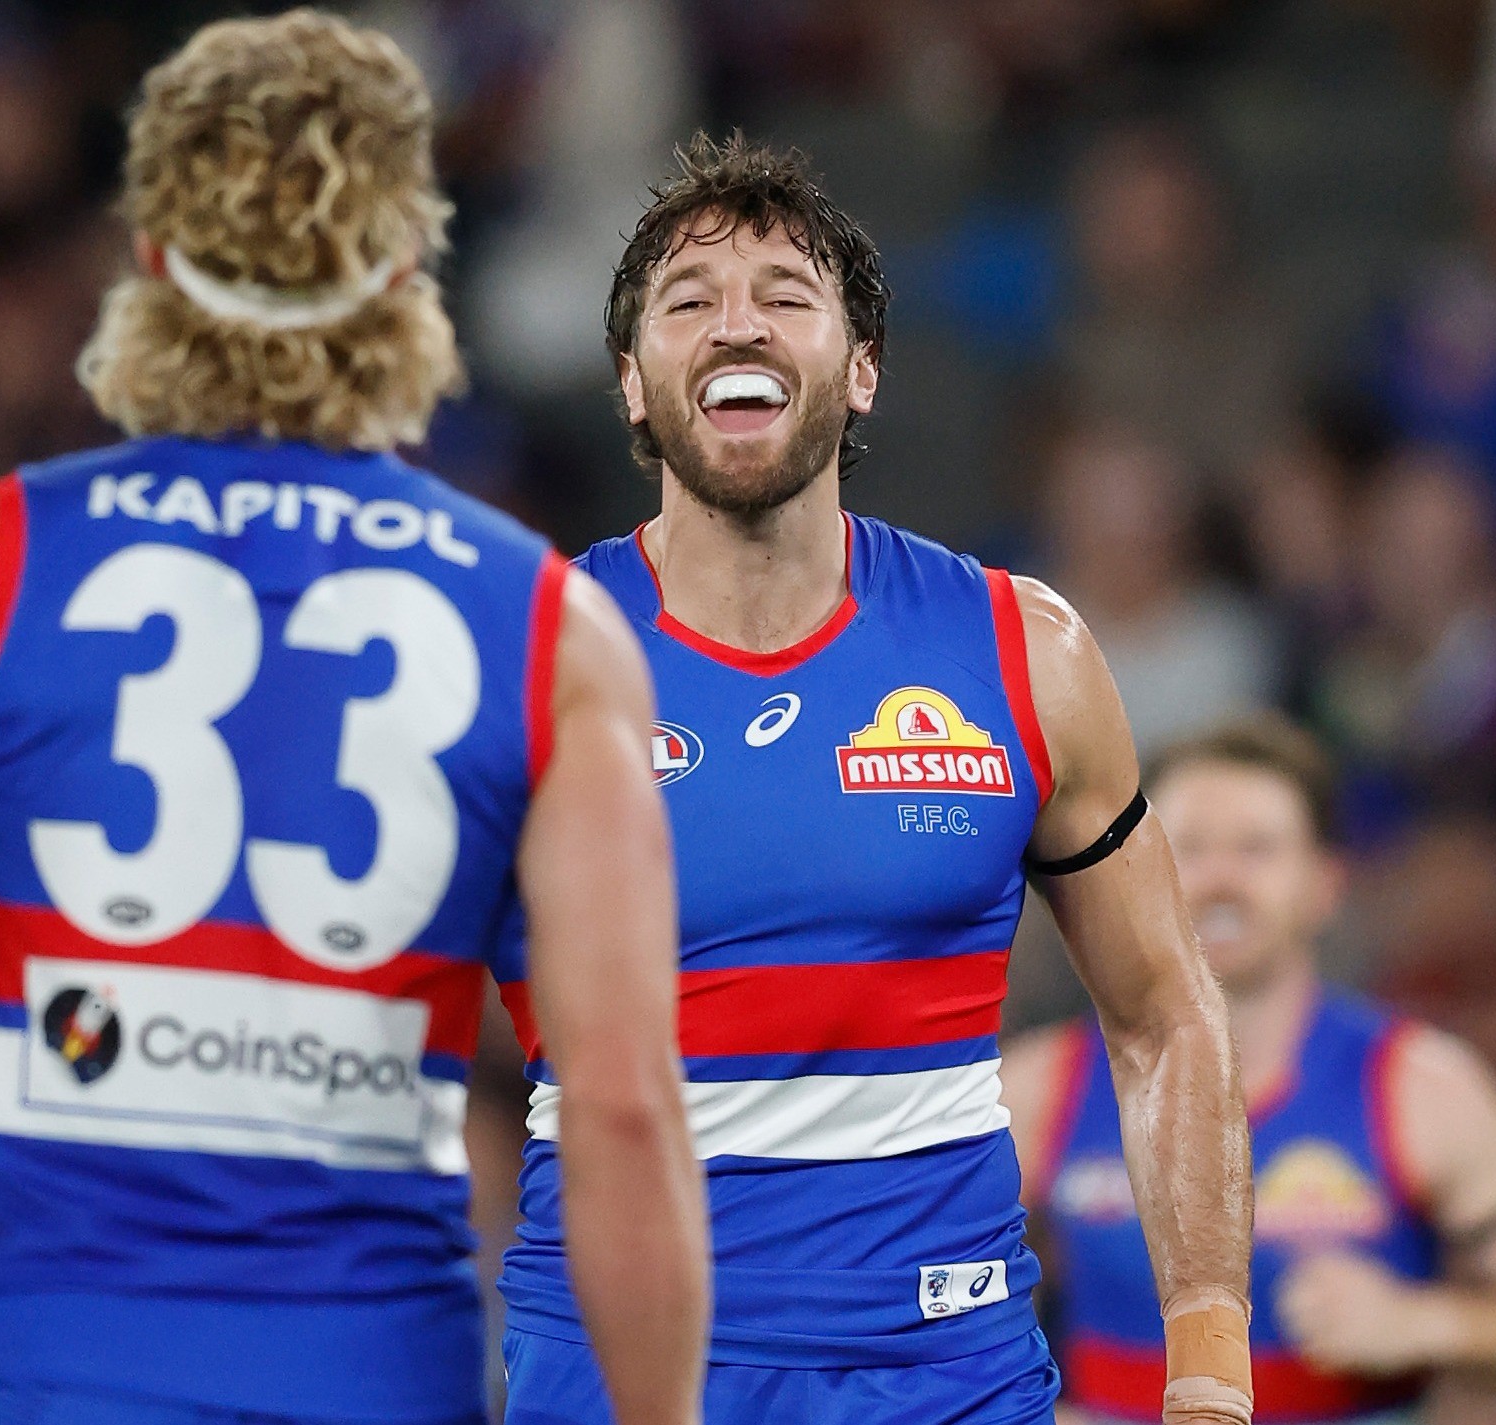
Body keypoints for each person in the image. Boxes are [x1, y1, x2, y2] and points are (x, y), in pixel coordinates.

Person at [0, 13, 708, 1425]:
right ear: (405, 264)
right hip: (369, 1384)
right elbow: (622, 1103)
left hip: (57, 1385)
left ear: (148, 261)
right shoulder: (547, 625)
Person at [494, 135, 1254, 1425]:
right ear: (630, 382)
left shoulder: (1023, 652)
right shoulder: (514, 659)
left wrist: (1209, 1378)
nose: (738, 325)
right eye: (688, 302)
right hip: (613, 1371)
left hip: (948, 1374)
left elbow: (1164, 1016)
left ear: (861, 371)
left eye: (785, 296)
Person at [1004, 717, 1496, 1421]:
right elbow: (925, 1299)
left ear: (1326, 883)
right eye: (1186, 847)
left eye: (1257, 849)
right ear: (1130, 878)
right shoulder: (1043, 1086)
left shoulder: (1417, 1084)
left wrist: (1424, 1321)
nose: (1221, 879)